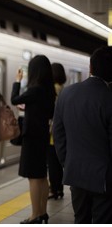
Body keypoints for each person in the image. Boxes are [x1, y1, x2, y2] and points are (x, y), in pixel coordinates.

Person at [53, 46, 112, 224]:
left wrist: (67, 162)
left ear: (90, 67)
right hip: (104, 178)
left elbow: (58, 133)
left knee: (81, 221)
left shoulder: (66, 94)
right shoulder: (109, 97)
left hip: (75, 174)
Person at [11, 55, 55, 224]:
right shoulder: (48, 91)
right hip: (42, 135)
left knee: (34, 177)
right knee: (42, 176)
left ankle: (35, 215)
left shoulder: (35, 89)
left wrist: (17, 81)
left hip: (32, 137)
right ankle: (42, 212)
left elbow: (14, 98)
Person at [47, 63, 66, 200]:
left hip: (52, 133)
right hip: (62, 131)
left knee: (52, 162)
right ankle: (60, 188)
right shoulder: (64, 89)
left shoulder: (52, 90)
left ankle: (54, 189)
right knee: (59, 163)